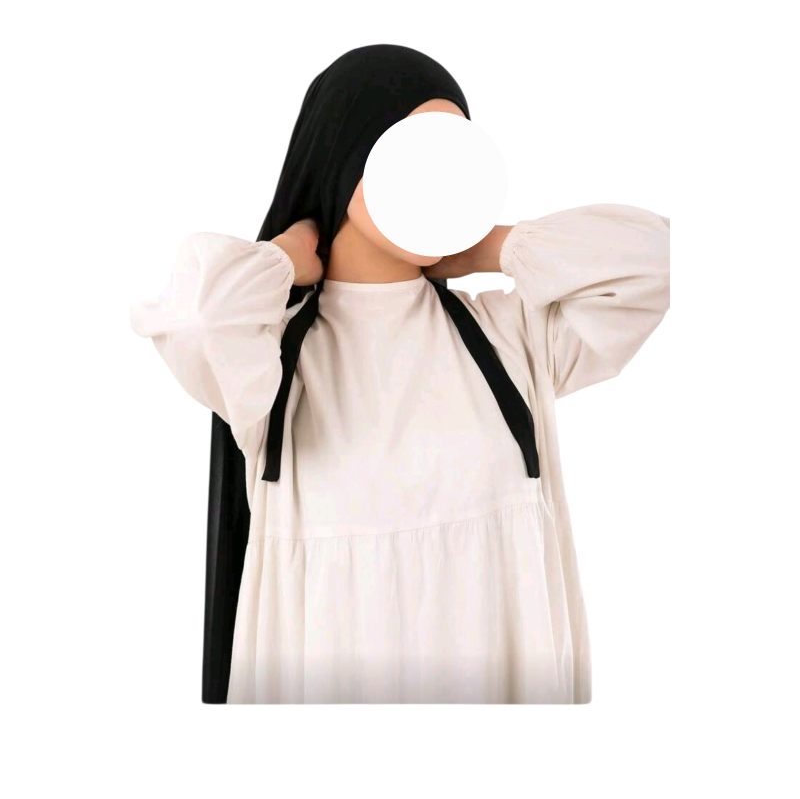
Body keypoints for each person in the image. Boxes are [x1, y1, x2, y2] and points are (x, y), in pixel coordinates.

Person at [130, 44, 670, 704]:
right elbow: (198, 314)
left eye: (456, 160)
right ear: (347, 155)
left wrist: (494, 246)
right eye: (415, 157)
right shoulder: (273, 360)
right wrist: (284, 255)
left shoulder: (511, 338)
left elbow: (660, 263)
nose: (439, 182)